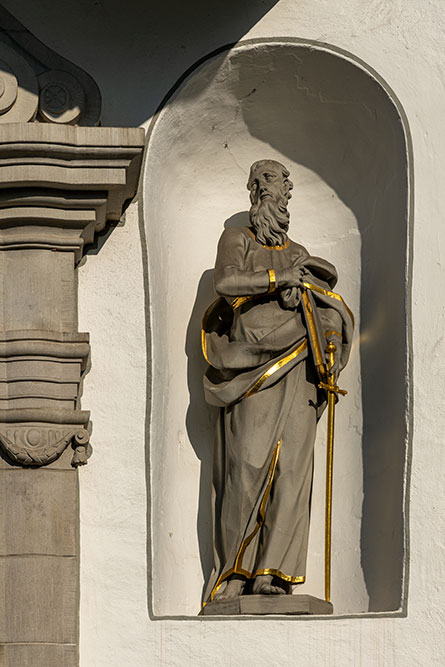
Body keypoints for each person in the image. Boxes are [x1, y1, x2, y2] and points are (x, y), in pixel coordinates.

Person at [201, 159, 353, 603]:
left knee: (293, 470)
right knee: (246, 467)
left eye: (281, 184)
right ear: (253, 190)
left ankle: (275, 572)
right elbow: (226, 282)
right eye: (266, 181)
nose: (274, 191)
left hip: (299, 363)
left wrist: (307, 293)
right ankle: (233, 569)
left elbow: (325, 302)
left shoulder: (299, 252)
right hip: (251, 367)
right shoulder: (239, 238)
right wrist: (277, 279)